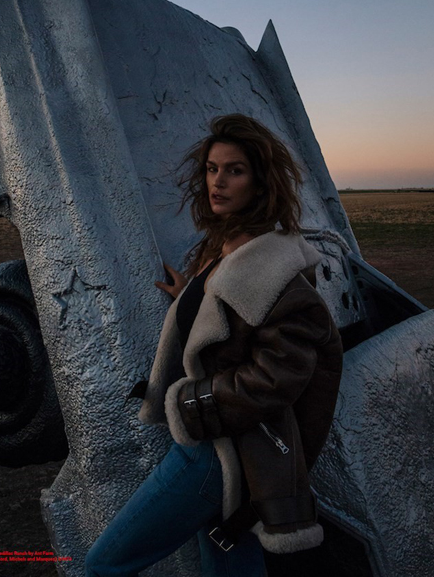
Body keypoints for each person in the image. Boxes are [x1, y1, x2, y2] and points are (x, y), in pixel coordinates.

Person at [85, 113, 343, 577]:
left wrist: (191, 402)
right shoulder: (227, 248)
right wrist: (192, 296)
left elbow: (277, 378)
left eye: (234, 171)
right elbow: (232, 312)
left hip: (217, 454)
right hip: (222, 448)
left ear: (260, 184)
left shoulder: (278, 272)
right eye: (211, 169)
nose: (217, 182)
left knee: (104, 563)